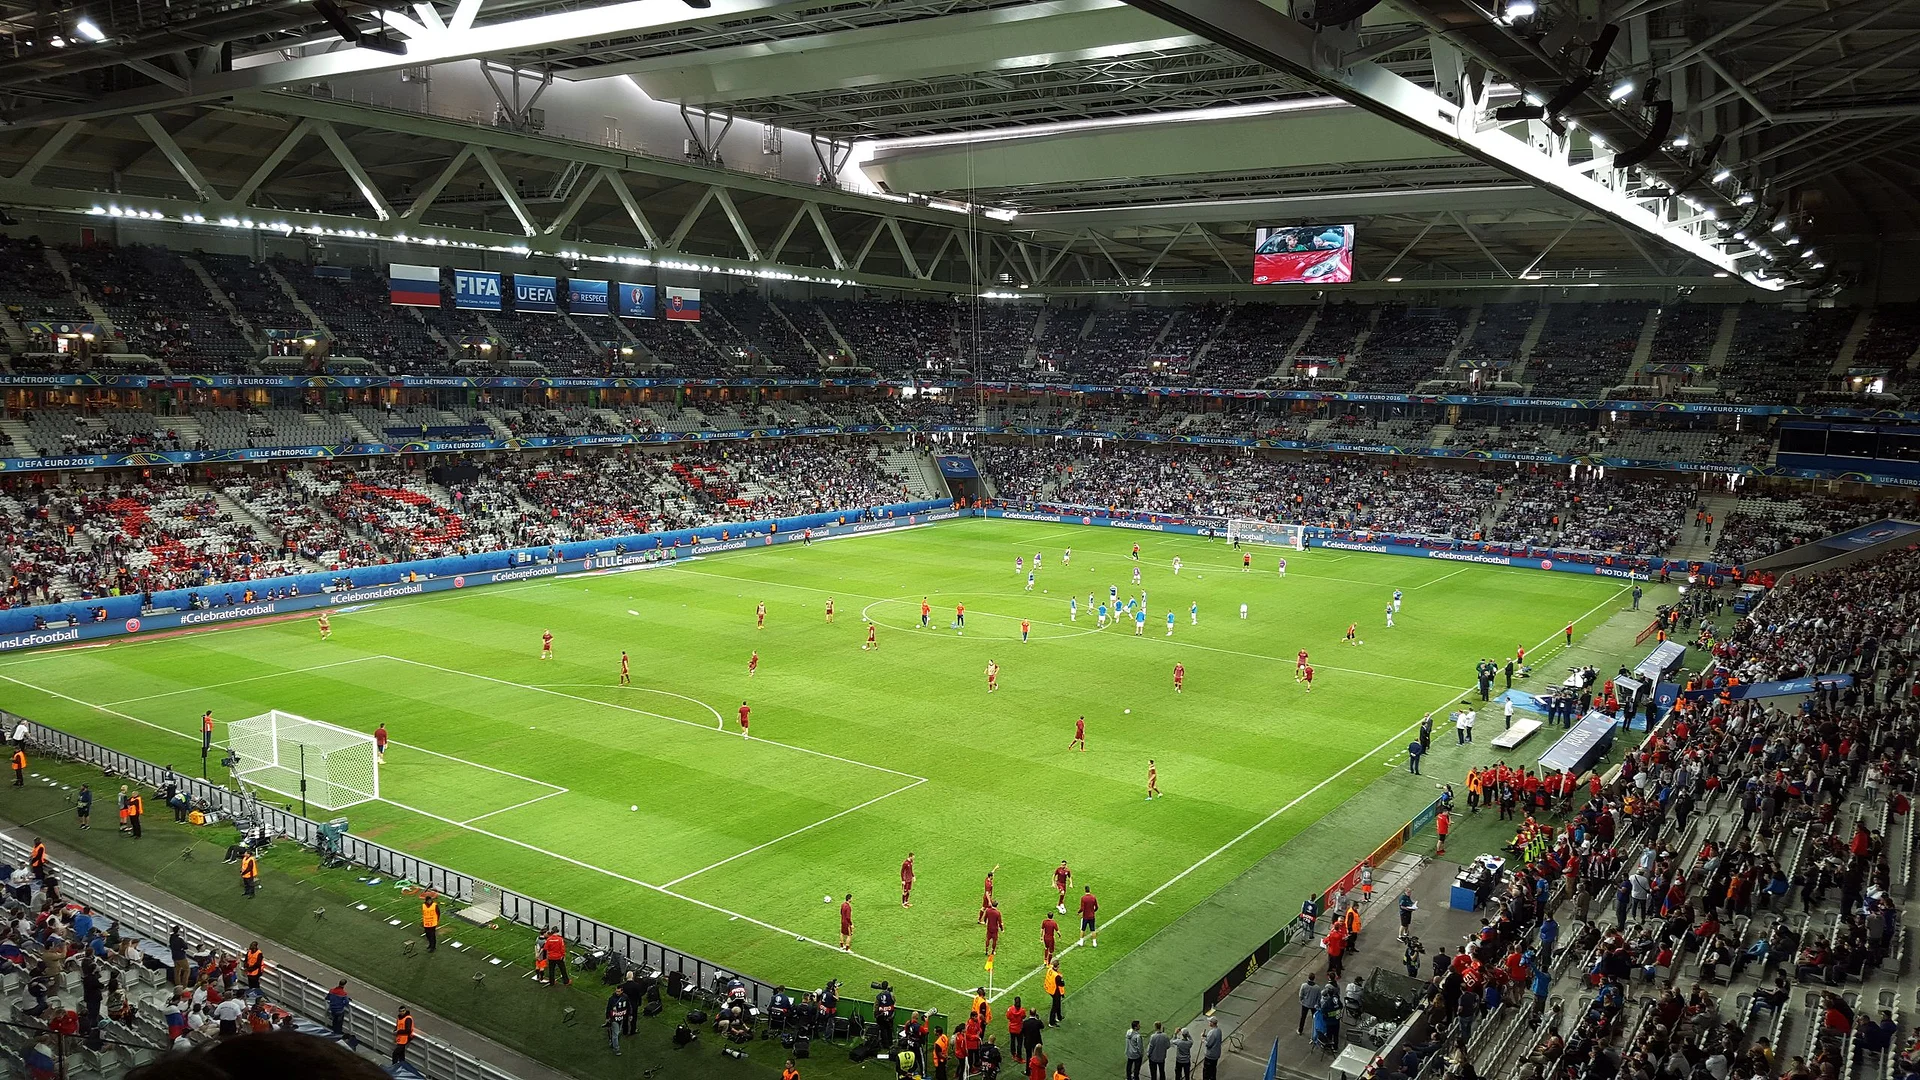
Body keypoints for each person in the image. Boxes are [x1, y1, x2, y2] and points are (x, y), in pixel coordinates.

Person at [605, 985, 630, 1055]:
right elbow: (608, 1009)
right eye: (616, 991)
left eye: (618, 991)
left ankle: (612, 1043)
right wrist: (607, 1018)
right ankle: (616, 1049)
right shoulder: (612, 999)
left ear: (622, 991)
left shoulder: (625, 997)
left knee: (618, 1032)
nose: (617, 992)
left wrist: (630, 1014)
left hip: (621, 1018)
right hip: (614, 1019)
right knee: (616, 1034)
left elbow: (628, 1006)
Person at [1044, 961, 1065, 1025]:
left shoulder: (1050, 969)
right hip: (1054, 991)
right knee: (1055, 1006)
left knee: (1058, 1003)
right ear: (1058, 966)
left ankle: (1059, 1017)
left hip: (1049, 988)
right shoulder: (1057, 976)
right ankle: (1051, 1022)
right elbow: (1061, 984)